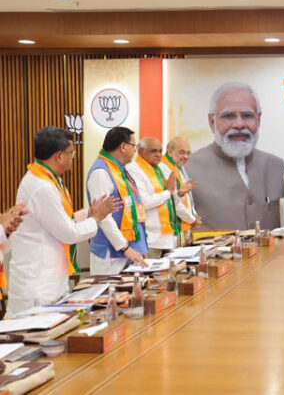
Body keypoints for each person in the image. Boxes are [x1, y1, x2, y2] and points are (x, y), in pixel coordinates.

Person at [8, 126, 118, 316]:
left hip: (50, 279)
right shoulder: (42, 187)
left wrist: (90, 213)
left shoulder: (47, 180)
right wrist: (96, 217)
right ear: (58, 156)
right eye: (71, 152)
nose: (73, 157)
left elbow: (62, 220)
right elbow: (69, 233)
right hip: (39, 286)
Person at [187, 82, 284, 230]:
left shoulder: (276, 167)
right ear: (212, 122)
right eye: (228, 116)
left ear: (258, 119)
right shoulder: (188, 169)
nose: (239, 124)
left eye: (247, 116)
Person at [86, 126, 148, 275]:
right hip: (111, 254)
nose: (134, 150)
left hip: (128, 250)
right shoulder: (100, 173)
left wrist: (140, 246)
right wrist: (125, 248)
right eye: (134, 146)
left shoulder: (121, 170)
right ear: (123, 146)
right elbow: (103, 217)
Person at [126, 137, 179, 257]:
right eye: (153, 151)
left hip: (167, 239)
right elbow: (143, 202)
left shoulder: (160, 169)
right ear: (140, 151)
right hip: (150, 240)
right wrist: (168, 192)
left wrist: (179, 194)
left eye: (160, 151)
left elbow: (170, 200)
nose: (158, 155)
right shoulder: (133, 170)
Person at [160, 136, 201, 233]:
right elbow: (173, 201)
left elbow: (186, 197)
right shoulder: (164, 168)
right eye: (182, 152)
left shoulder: (179, 167)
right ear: (170, 152)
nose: (186, 156)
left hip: (184, 224)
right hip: (172, 228)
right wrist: (192, 219)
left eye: (188, 153)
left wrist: (193, 213)